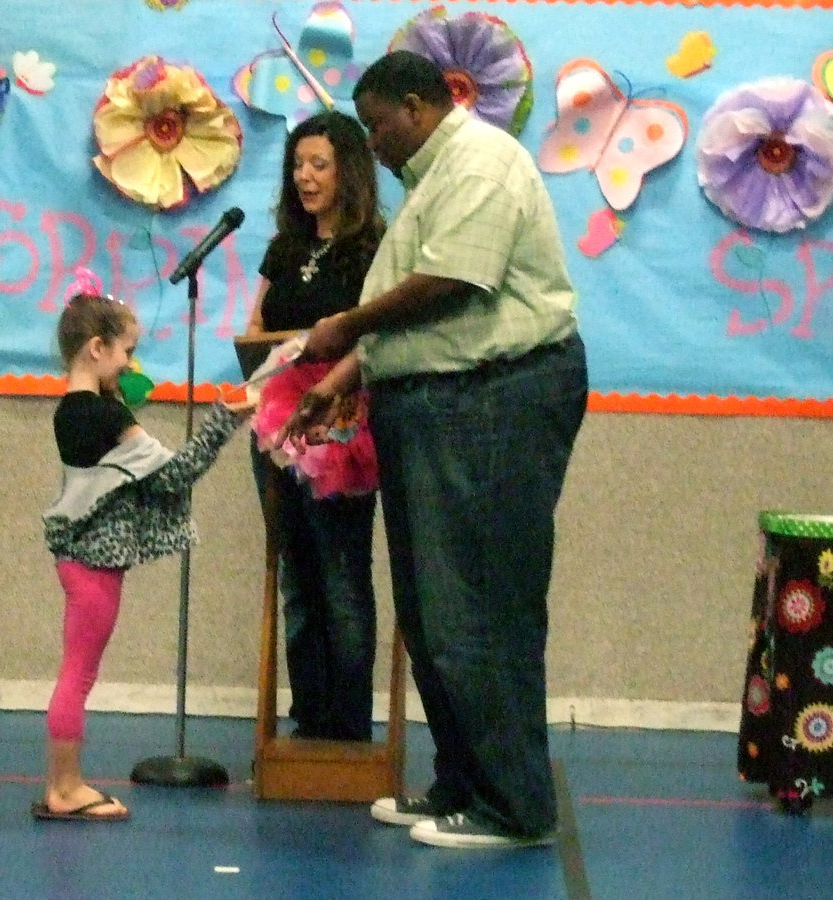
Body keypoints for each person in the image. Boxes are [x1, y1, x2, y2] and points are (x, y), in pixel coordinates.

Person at [278, 50, 588, 848]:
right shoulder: (431, 182)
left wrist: (346, 326)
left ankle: (512, 807)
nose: (371, 144)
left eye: (379, 126)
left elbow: (455, 283)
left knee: (479, 605)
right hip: (434, 401)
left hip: (494, 398)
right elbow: (416, 315)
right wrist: (345, 373)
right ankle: (461, 782)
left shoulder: (481, 163)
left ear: (419, 107)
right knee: (429, 610)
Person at [35, 289, 253, 822]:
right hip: (93, 566)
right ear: (96, 348)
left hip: (82, 561)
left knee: (77, 672)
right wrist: (225, 419)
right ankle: (64, 788)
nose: (131, 363)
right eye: (126, 351)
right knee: (77, 674)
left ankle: (65, 783)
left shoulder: (74, 410)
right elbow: (175, 474)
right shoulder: (104, 416)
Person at [245, 110, 386, 742]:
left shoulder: (372, 247)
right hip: (277, 424)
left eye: (319, 164)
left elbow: (379, 337)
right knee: (296, 573)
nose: (304, 177)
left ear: (349, 172)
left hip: (339, 423)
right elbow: (257, 332)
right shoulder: (284, 247)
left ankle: (348, 727)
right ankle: (309, 721)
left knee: (341, 574)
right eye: (297, 165)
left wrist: (335, 388)